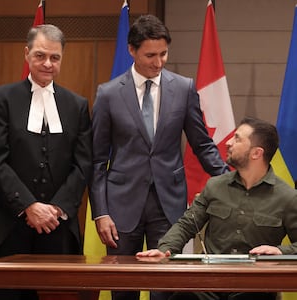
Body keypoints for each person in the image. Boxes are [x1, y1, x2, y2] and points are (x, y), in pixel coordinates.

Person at [89, 14, 228, 300]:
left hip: (168, 204)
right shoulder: (109, 94)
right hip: (120, 207)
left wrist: (230, 180)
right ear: (132, 50)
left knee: (166, 288)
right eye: (150, 55)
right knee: (123, 289)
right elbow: (97, 160)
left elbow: (202, 144)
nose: (158, 62)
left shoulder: (184, 88)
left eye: (163, 53)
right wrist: (101, 212)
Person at [136, 117, 297, 300]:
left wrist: (281, 251)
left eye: (237, 139)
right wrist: (165, 249)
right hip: (209, 284)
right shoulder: (215, 186)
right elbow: (186, 224)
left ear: (256, 153)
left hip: (254, 286)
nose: (228, 142)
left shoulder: (287, 197)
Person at [0, 24, 92, 300]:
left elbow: (83, 163)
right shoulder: (2, 99)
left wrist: (56, 209)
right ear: (26, 54)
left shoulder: (77, 105)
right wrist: (28, 205)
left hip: (58, 227)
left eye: (55, 57)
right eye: (40, 55)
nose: (47, 64)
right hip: (9, 227)